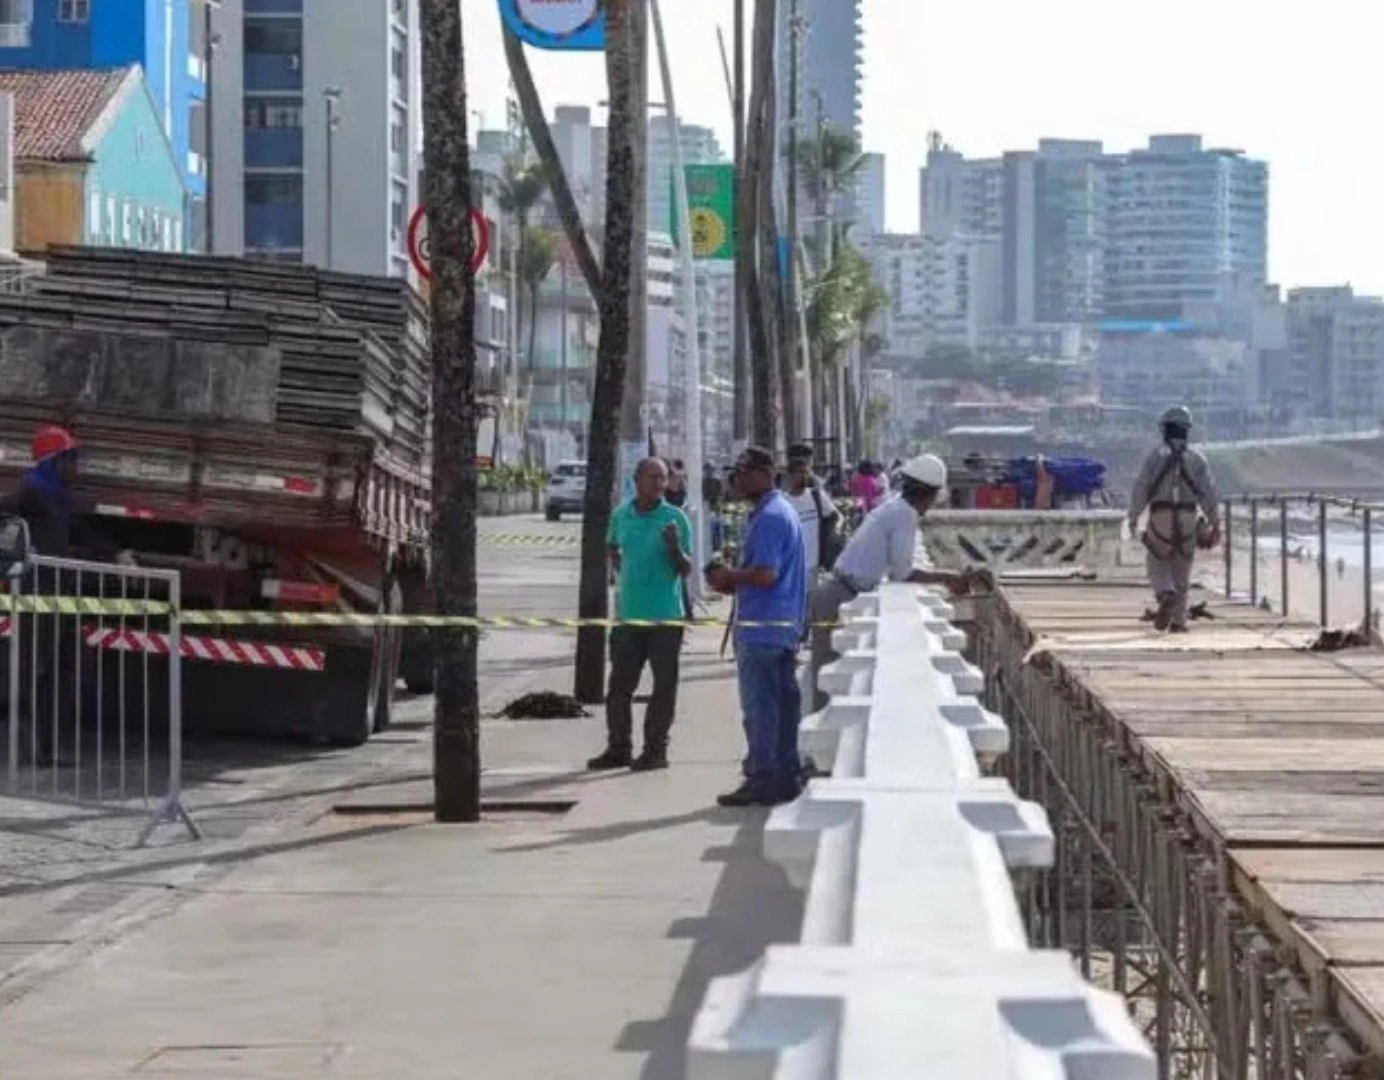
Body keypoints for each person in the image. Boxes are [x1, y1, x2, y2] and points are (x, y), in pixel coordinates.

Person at [806, 454, 971, 712]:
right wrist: (948, 578)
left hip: (838, 591)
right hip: (840, 597)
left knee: (829, 677)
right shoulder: (904, 515)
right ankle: (810, 749)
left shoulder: (895, 508)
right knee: (829, 684)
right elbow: (902, 573)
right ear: (931, 494)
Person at [706, 446, 806, 807]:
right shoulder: (779, 512)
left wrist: (728, 576)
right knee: (781, 706)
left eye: (744, 471)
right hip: (779, 626)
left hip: (763, 628)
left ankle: (762, 777)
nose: (739, 479)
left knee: (761, 709)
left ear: (765, 473)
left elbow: (766, 574)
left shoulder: (770, 518)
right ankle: (785, 775)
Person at [587, 458, 693, 772]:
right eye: (652, 477)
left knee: (664, 687)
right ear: (636, 480)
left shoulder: (675, 519)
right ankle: (618, 747)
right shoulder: (621, 515)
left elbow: (686, 569)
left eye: (663, 478)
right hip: (629, 617)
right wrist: (621, 566)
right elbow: (611, 546)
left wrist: (673, 547)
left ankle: (655, 749)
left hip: (665, 618)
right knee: (620, 687)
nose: (659, 484)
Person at [1127, 406, 1220, 633]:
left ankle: (1165, 593)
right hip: (1189, 517)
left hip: (1161, 516)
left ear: (1165, 429)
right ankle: (1179, 622)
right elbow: (1208, 492)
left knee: (1157, 563)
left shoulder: (1154, 456)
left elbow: (1141, 488)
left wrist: (1133, 517)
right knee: (1183, 569)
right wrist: (1215, 522)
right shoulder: (1198, 458)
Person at [782, 449, 842, 579]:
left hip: (813, 564)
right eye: (799, 473)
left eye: (805, 472)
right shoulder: (783, 502)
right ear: (789, 476)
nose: (803, 476)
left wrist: (827, 540)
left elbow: (834, 517)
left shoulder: (816, 496)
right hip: (790, 565)